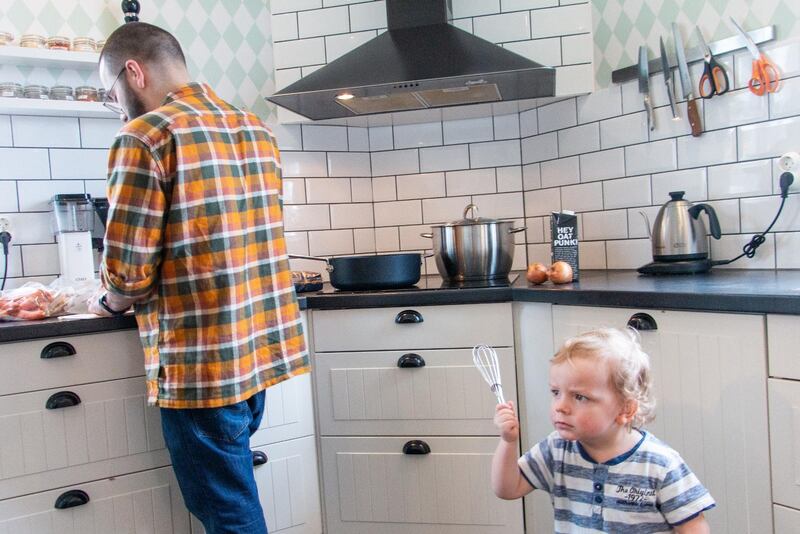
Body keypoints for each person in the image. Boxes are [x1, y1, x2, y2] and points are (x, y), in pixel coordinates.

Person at [87, 22, 308, 534]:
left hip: (200, 368)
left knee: (229, 515)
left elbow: (129, 273)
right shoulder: (255, 129)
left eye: (111, 94)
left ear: (133, 71)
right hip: (256, 358)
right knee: (234, 500)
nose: (117, 107)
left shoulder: (145, 137)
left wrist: (107, 301)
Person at [492, 328, 714, 533]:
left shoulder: (659, 464)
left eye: (580, 397)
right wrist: (508, 442)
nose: (561, 406)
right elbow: (508, 489)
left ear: (625, 408)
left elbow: (693, 526)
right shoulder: (556, 449)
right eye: (555, 392)